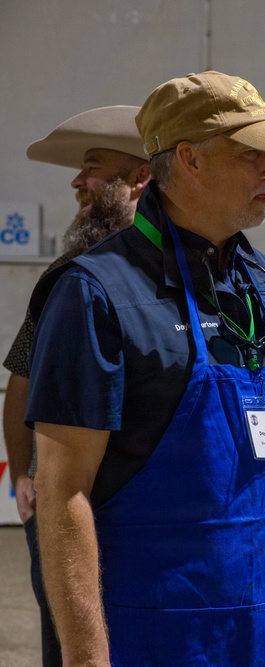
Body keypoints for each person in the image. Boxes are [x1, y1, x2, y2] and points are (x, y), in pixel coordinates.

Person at [26, 72, 265, 666]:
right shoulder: (95, 294)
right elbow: (62, 488)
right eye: (253, 156)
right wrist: (87, 657)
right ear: (189, 159)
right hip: (154, 635)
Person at [2, 104, 150, 667]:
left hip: (141, 513)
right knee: (68, 640)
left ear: (140, 178)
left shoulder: (179, 275)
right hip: (65, 508)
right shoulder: (69, 278)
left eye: (93, 169)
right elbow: (22, 379)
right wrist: (22, 473)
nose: (76, 182)